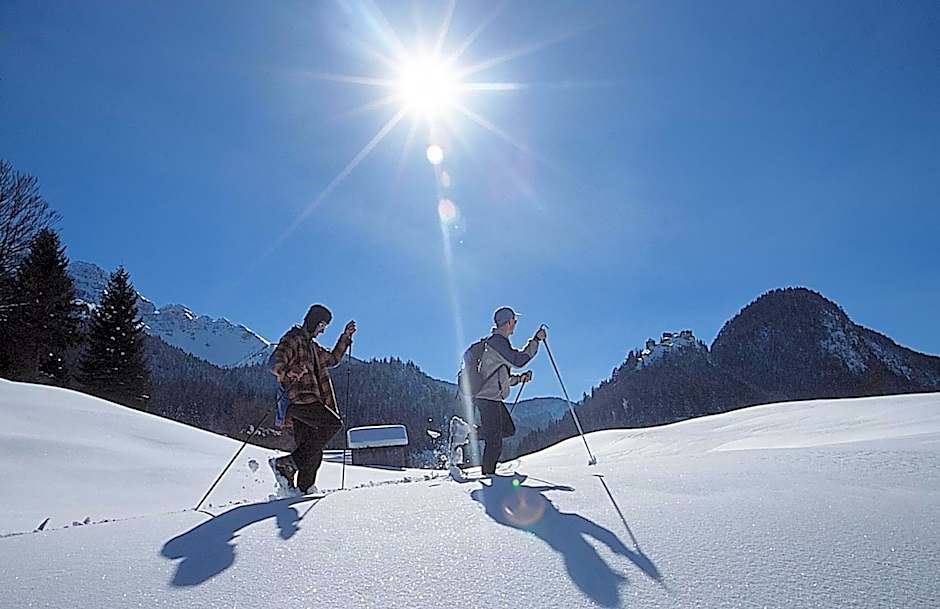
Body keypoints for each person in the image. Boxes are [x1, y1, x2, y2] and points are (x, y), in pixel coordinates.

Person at [269, 304, 356, 494]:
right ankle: (287, 464)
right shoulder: (293, 339)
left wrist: (345, 337)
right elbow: (275, 361)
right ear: (314, 322)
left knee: (313, 452)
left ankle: (301, 490)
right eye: (322, 325)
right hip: (300, 400)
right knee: (332, 424)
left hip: (309, 402)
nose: (322, 330)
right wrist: (288, 372)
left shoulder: (313, 348)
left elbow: (333, 359)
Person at [473, 306, 546, 475]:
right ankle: (489, 476)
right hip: (487, 398)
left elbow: (500, 377)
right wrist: (536, 340)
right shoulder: (497, 342)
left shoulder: (498, 344)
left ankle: (469, 433)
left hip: (492, 398)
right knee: (494, 441)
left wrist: (519, 379)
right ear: (508, 322)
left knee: (508, 430)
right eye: (515, 321)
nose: (515, 324)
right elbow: (519, 360)